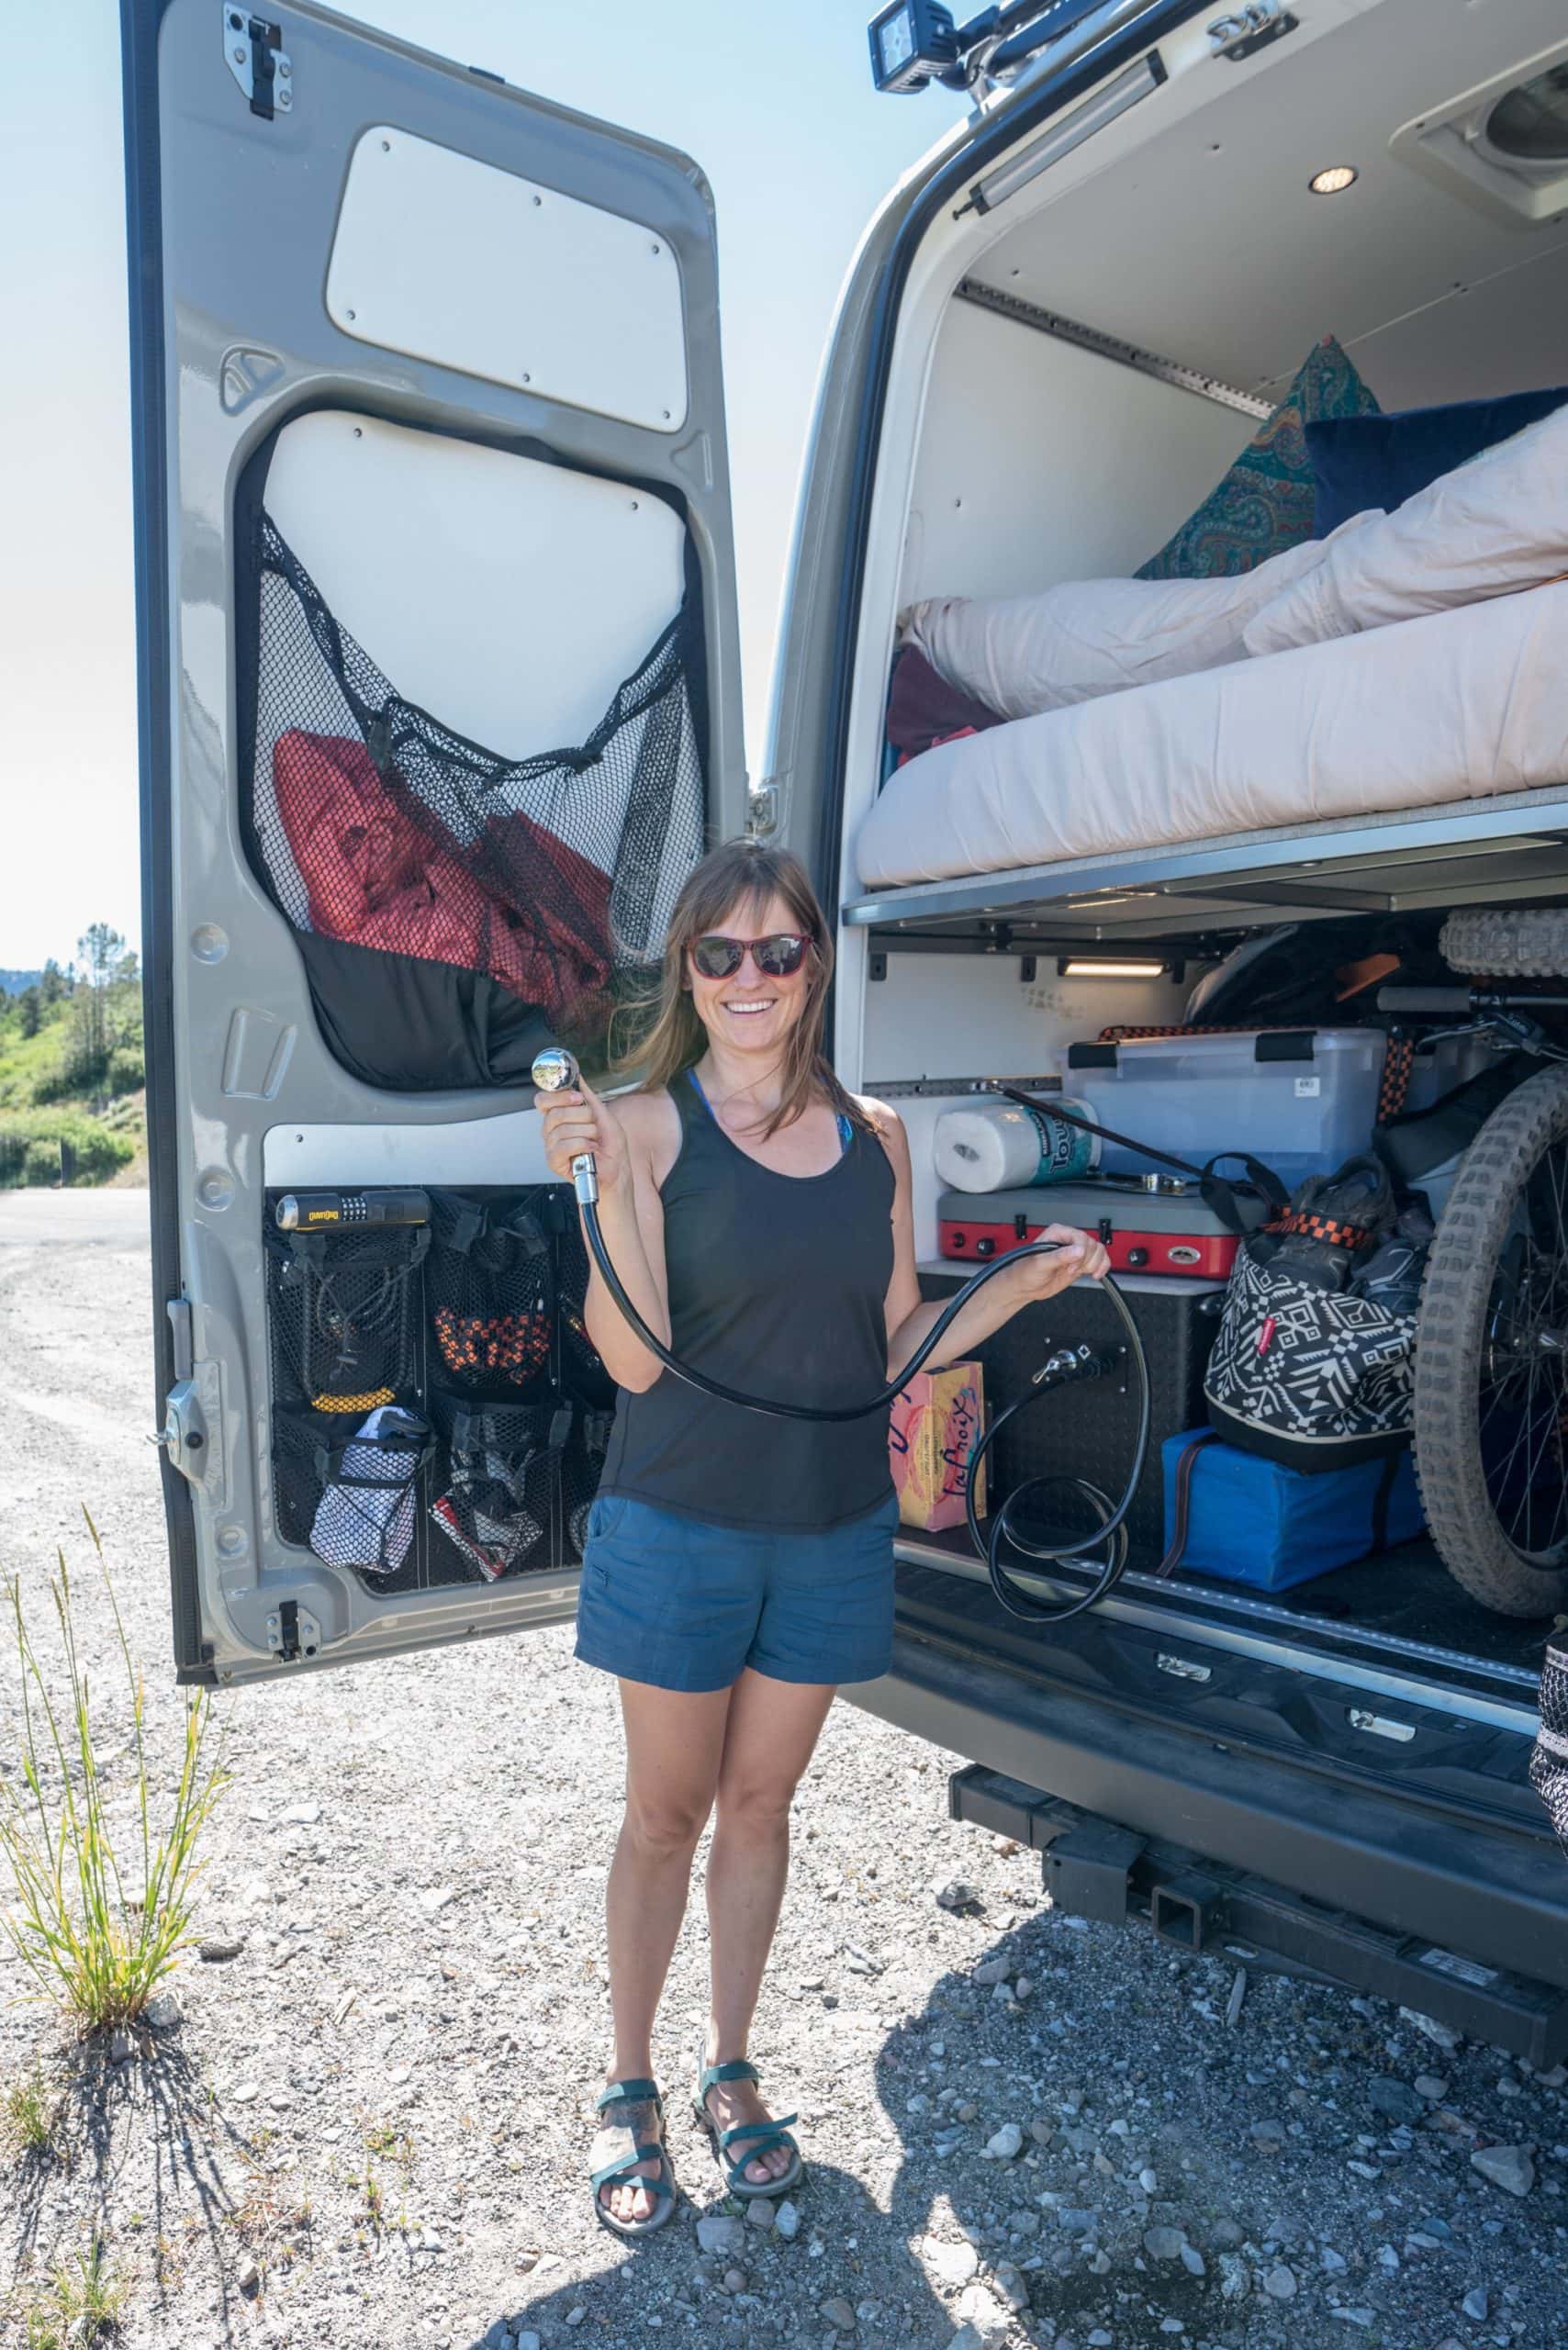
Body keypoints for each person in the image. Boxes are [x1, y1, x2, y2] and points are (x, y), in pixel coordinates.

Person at [535, 839, 1109, 2236]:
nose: (749, 976)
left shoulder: (878, 1137)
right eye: (719, 952)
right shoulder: (642, 1124)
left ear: (815, 965)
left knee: (762, 1810)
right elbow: (634, 1359)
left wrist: (1022, 1284)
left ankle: (730, 2070)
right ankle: (630, 2088)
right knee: (664, 1816)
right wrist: (601, 1189)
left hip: (831, 1527)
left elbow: (898, 1345)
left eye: (776, 951)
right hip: (679, 1526)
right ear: (687, 967)